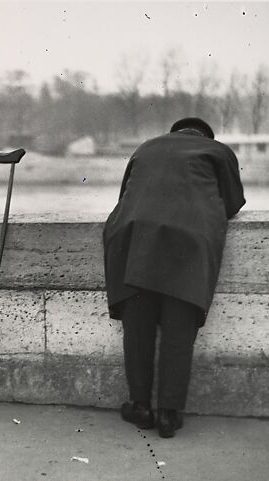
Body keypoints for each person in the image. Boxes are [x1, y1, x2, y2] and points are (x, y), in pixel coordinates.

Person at [103, 117, 245, 438]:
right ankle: (169, 414)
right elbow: (233, 204)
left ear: (173, 133)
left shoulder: (145, 148)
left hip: (132, 239)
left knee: (137, 327)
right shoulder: (217, 151)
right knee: (178, 331)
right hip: (188, 243)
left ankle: (140, 406)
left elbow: (126, 194)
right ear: (205, 135)